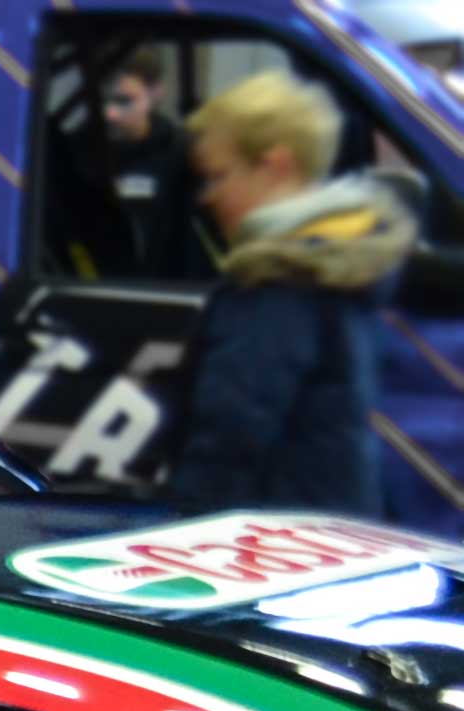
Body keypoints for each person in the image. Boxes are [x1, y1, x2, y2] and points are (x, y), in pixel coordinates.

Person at [166, 70, 413, 514]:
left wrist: (185, 521)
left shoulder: (278, 279)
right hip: (332, 523)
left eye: (219, 176)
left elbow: (231, 432)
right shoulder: (338, 259)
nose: (207, 197)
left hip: (268, 531)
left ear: (276, 166)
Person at [52, 48, 207, 280]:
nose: (110, 114)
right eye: (101, 100)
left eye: (124, 101)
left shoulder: (179, 155)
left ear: (156, 94)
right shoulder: (71, 157)